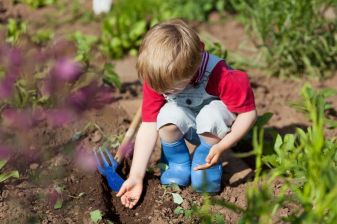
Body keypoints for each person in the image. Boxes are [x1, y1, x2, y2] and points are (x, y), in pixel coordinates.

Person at [116, 19, 257, 209]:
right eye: (165, 90)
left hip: (217, 130)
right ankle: (177, 164)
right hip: (189, 121)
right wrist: (136, 176)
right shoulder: (158, 77)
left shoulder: (221, 75)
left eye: (174, 88)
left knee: (210, 116)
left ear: (198, 56)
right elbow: (149, 125)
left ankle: (205, 163)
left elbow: (248, 113)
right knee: (165, 116)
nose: (168, 93)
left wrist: (223, 146)